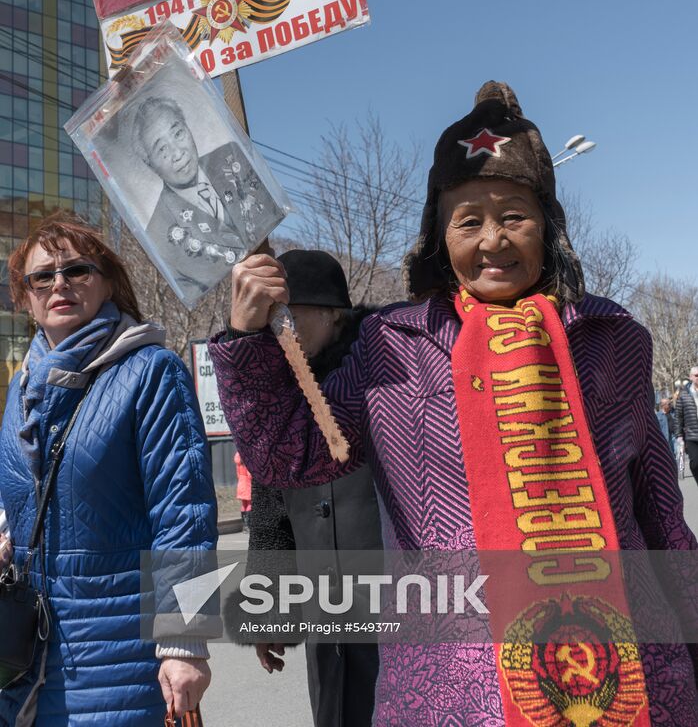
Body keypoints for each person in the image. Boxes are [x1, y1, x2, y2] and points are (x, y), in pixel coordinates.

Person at [209, 82, 698, 725]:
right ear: (440, 239)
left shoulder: (614, 340)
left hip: (628, 674)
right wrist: (249, 340)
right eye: (469, 220)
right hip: (457, 688)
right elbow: (289, 457)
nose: (493, 239)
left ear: (548, 228)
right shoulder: (396, 345)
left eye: (514, 215)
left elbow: (661, 514)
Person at [0, 213, 217, 726]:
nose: (60, 285)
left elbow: (184, 516)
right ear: (25, 297)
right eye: (42, 276)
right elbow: (18, 495)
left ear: (108, 282)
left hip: (117, 657)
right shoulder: (21, 386)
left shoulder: (150, 372)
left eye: (77, 270)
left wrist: (184, 642)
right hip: (24, 657)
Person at [243, 249, 381, 727]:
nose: (278, 333)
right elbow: (270, 517)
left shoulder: (383, 383)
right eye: (268, 322)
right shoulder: (279, 405)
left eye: (288, 318)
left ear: (335, 317)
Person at [132, 95, 274, 298]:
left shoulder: (232, 157)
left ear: (188, 129)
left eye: (178, 133)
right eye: (162, 149)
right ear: (149, 163)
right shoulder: (159, 235)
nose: (178, 153)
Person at [676, 366, 698, 486]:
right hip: (692, 435)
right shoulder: (684, 395)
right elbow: (678, 416)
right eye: (696, 375)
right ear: (690, 377)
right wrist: (679, 435)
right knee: (695, 464)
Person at [234, 449, 252, 530]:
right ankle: (248, 525)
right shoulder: (247, 460)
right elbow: (250, 475)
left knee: (243, 504)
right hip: (247, 483)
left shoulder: (238, 461)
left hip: (240, 483)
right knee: (249, 504)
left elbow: (238, 474)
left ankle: (244, 525)